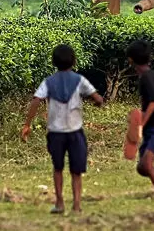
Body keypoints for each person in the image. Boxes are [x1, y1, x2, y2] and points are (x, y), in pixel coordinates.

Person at [21, 44, 103, 214]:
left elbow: (36, 100)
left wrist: (27, 123)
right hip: (75, 132)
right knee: (76, 171)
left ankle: (59, 203)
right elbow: (97, 98)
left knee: (57, 168)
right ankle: (77, 205)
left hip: (55, 132)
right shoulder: (79, 80)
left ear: (53, 62)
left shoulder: (48, 82)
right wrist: (95, 101)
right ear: (74, 61)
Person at [127, 40, 154, 210]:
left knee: (146, 164)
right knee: (142, 168)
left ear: (130, 60)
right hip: (153, 128)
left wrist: (141, 123)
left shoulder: (147, 77)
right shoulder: (148, 75)